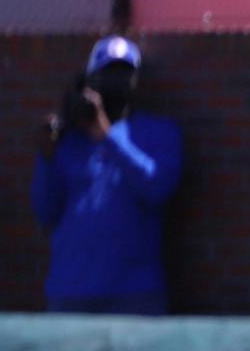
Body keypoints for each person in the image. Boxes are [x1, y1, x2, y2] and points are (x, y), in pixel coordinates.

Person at [32, 34, 183, 315]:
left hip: (135, 294)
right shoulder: (70, 140)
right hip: (72, 292)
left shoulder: (158, 132)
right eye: (107, 74)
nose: (116, 82)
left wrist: (108, 136)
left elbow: (157, 186)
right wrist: (47, 157)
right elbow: (45, 211)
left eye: (124, 74)